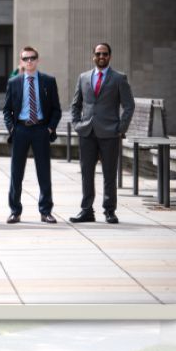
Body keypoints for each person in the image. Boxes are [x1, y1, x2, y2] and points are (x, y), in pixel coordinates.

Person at [70, 42, 135, 224]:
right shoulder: (83, 77)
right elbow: (76, 104)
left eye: (105, 54)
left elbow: (129, 105)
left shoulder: (119, 78)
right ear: (93, 56)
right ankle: (86, 210)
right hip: (87, 132)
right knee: (86, 173)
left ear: (110, 56)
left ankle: (109, 211)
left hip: (110, 133)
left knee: (109, 174)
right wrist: (77, 124)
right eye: (98, 53)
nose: (101, 56)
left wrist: (120, 128)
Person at [2, 46, 63, 224]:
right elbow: (6, 110)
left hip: (41, 130)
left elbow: (56, 110)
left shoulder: (48, 81)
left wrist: (50, 129)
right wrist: (12, 129)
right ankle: (15, 211)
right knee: (16, 173)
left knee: (44, 172)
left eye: (32, 58)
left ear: (37, 60)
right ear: (21, 61)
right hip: (20, 129)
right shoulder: (14, 82)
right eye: (26, 58)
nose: (29, 61)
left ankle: (46, 211)